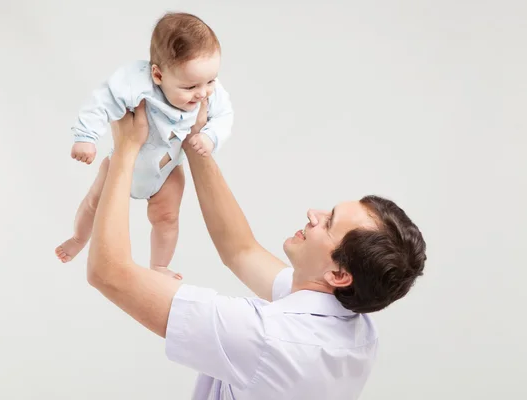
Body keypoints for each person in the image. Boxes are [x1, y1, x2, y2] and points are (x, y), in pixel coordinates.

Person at [86, 101, 427, 399]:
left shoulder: (265, 336)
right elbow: (240, 250)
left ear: (338, 274)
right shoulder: (360, 329)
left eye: (328, 223)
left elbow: (109, 272)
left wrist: (126, 152)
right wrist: (195, 138)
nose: (313, 214)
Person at [55, 12, 233, 280]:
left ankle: (159, 265)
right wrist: (86, 137)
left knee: (167, 219)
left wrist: (209, 136)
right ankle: (79, 238)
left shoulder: (211, 93)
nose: (203, 92)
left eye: (210, 81)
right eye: (190, 86)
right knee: (94, 203)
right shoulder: (136, 81)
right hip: (122, 164)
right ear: (158, 74)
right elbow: (102, 101)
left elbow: (225, 116)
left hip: (167, 171)